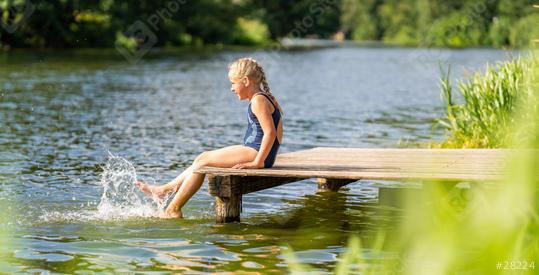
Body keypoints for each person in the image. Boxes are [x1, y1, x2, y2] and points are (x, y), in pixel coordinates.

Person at [136, 57, 284, 218]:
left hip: (257, 154)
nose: (231, 88)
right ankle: (165, 190)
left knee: (204, 162)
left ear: (246, 81)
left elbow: (271, 133)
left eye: (233, 83)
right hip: (259, 152)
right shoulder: (262, 97)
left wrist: (257, 163)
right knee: (203, 156)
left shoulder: (258, 101)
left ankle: (173, 209)